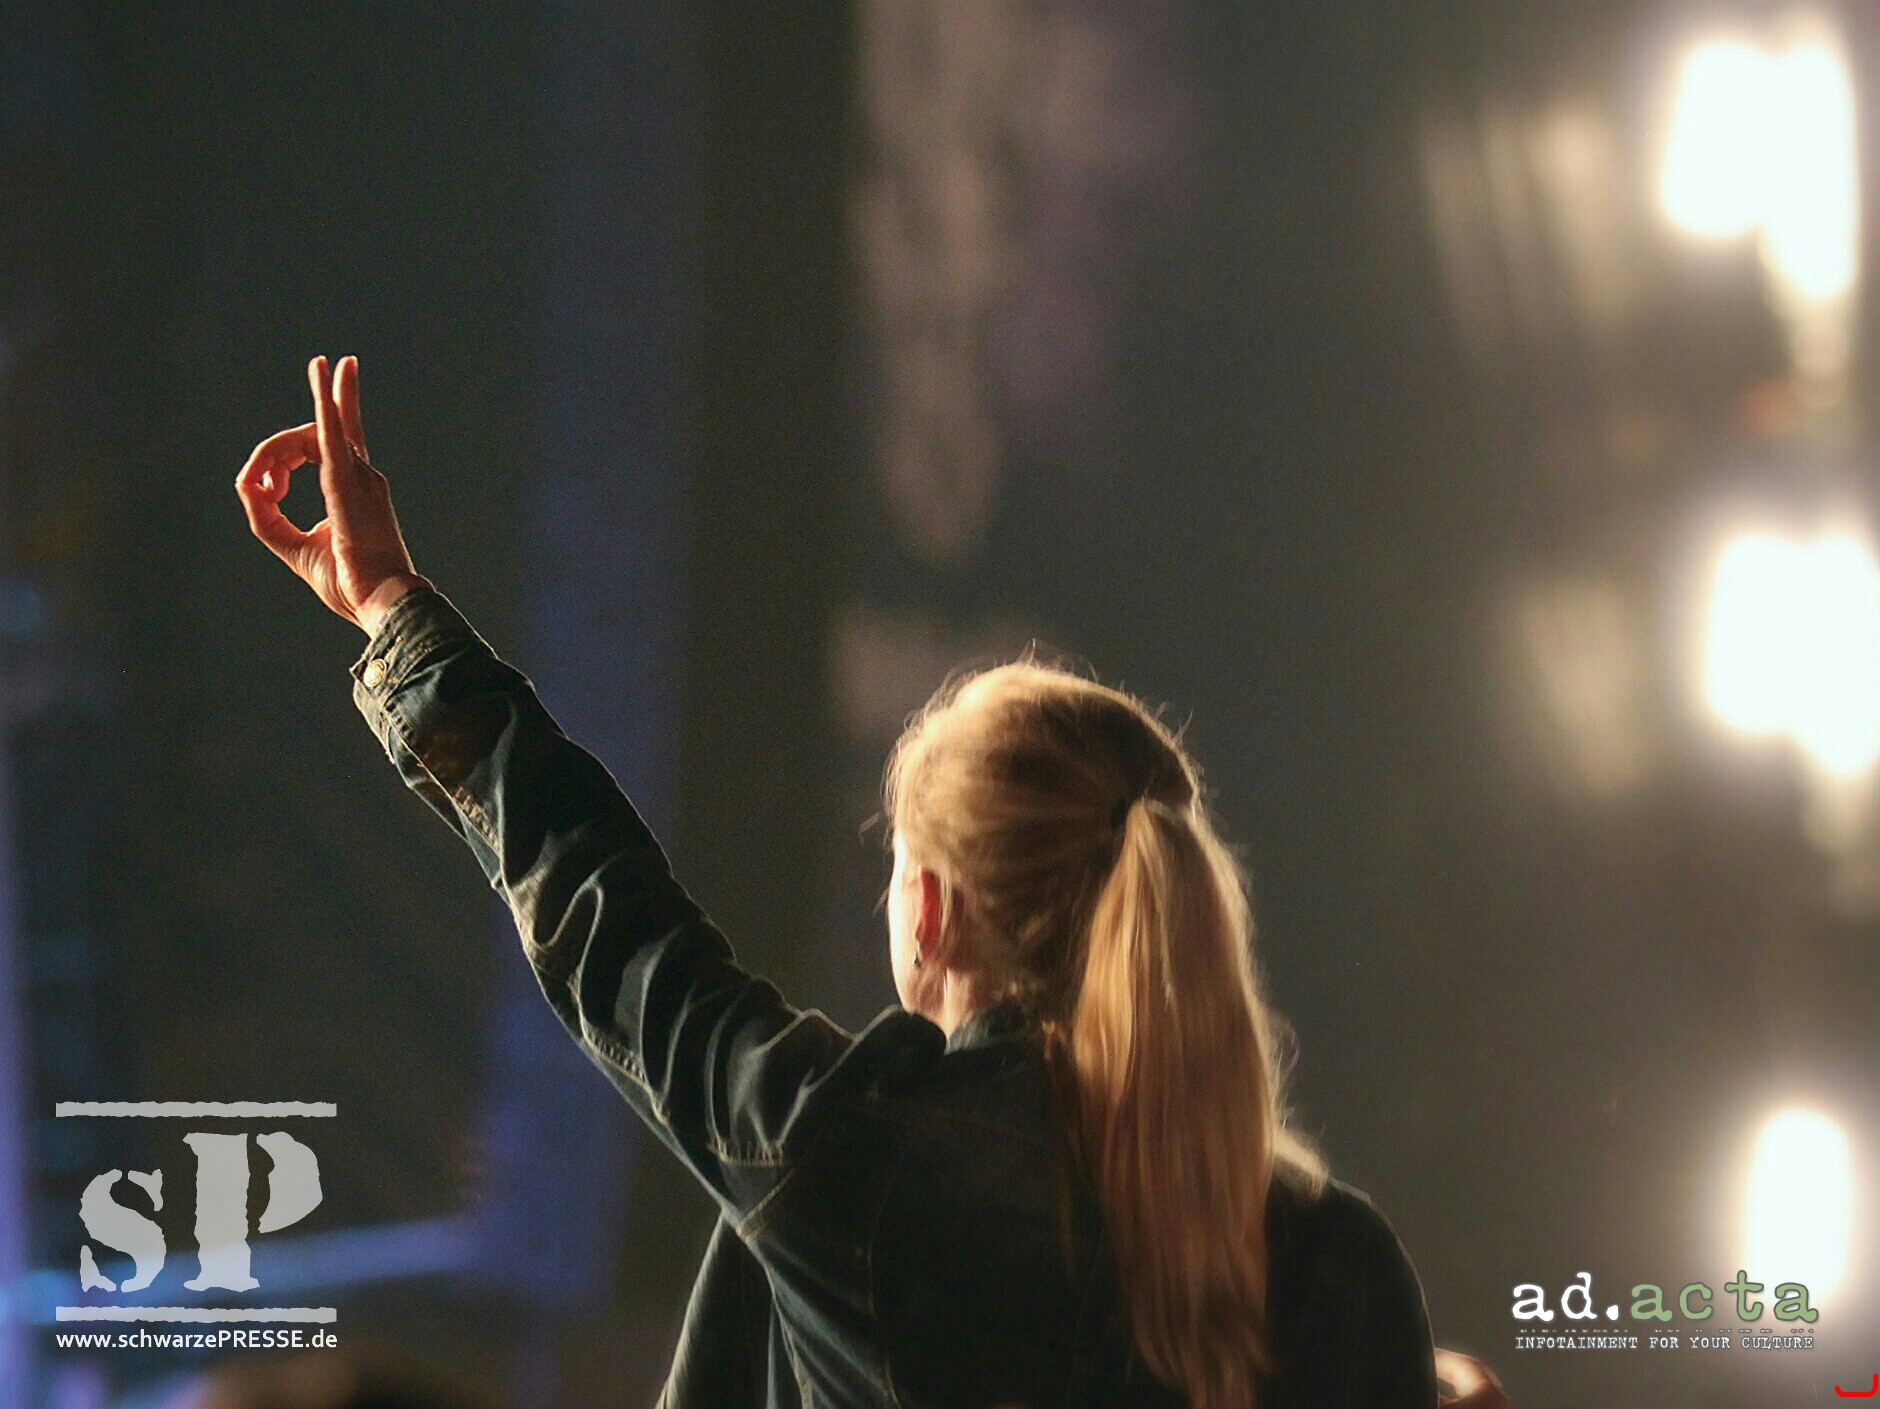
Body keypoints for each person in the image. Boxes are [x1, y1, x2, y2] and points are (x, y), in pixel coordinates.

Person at [236, 356, 1512, 1409]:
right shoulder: (1336, 1262)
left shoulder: (852, 1163)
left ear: (933, 910)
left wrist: (391, 608)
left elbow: (605, 913)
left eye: (895, 861)